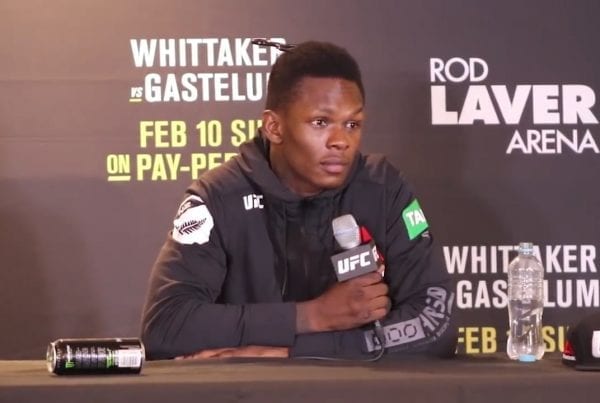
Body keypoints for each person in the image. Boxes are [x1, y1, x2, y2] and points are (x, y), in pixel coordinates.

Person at [141, 40, 456, 360]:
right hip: (248, 388)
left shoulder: (383, 188)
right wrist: (312, 316)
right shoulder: (219, 197)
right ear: (274, 127)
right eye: (321, 122)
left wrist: (285, 353)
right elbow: (165, 327)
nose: (341, 141)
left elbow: (437, 325)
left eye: (352, 124)